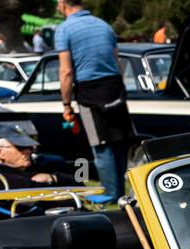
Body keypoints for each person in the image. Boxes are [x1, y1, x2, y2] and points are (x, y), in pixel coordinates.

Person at [55, 0, 132, 203]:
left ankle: (111, 194)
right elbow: (117, 61)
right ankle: (121, 191)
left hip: (89, 89)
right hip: (114, 86)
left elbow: (66, 71)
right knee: (119, 141)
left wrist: (66, 104)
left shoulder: (64, 30)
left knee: (100, 144)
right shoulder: (103, 25)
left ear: (63, 4)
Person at [0, 124, 77, 188]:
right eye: (20, 147)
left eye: (29, 147)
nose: (28, 151)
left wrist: (52, 178)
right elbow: (30, 188)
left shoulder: (39, 168)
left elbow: (79, 184)